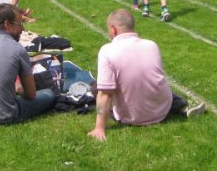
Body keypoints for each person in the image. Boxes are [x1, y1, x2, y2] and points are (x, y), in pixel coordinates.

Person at [88, 9, 205, 141]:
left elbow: (105, 93)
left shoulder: (107, 50)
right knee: (149, 81)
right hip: (162, 111)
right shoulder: (151, 45)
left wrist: (99, 128)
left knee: (97, 86)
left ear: (113, 29)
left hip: (131, 117)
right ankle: (181, 106)